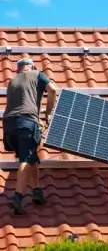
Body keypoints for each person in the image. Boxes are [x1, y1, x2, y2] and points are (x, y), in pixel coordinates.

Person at [3, 58, 57, 215]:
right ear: (31, 66)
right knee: (25, 159)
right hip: (26, 122)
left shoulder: (12, 81)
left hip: (8, 127)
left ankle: (37, 191)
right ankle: (17, 197)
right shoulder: (37, 74)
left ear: (18, 69)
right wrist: (47, 114)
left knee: (31, 156)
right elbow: (52, 90)